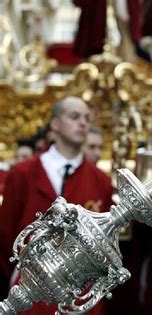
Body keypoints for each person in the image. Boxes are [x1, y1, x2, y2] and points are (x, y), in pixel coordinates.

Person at [0, 96, 114, 315]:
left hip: (79, 298)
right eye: (74, 116)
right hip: (31, 290)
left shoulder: (100, 181)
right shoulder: (23, 173)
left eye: (86, 118)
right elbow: (6, 233)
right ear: (55, 124)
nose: (83, 123)